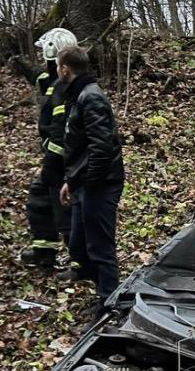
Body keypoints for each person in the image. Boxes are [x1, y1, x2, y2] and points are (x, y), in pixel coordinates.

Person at [56, 46, 124, 315]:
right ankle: (103, 293)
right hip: (84, 182)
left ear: (65, 68)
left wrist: (89, 183)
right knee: (77, 245)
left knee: (100, 246)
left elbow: (101, 148)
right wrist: (71, 181)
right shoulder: (79, 95)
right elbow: (81, 148)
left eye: (58, 66)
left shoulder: (91, 97)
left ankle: (109, 304)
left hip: (100, 183)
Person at [20, 28, 77, 271]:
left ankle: (79, 262)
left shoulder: (63, 86)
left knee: (64, 207)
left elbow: (60, 128)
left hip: (63, 157)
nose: (41, 57)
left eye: (43, 52)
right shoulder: (51, 81)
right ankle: (44, 251)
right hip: (54, 154)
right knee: (39, 198)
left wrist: (55, 159)